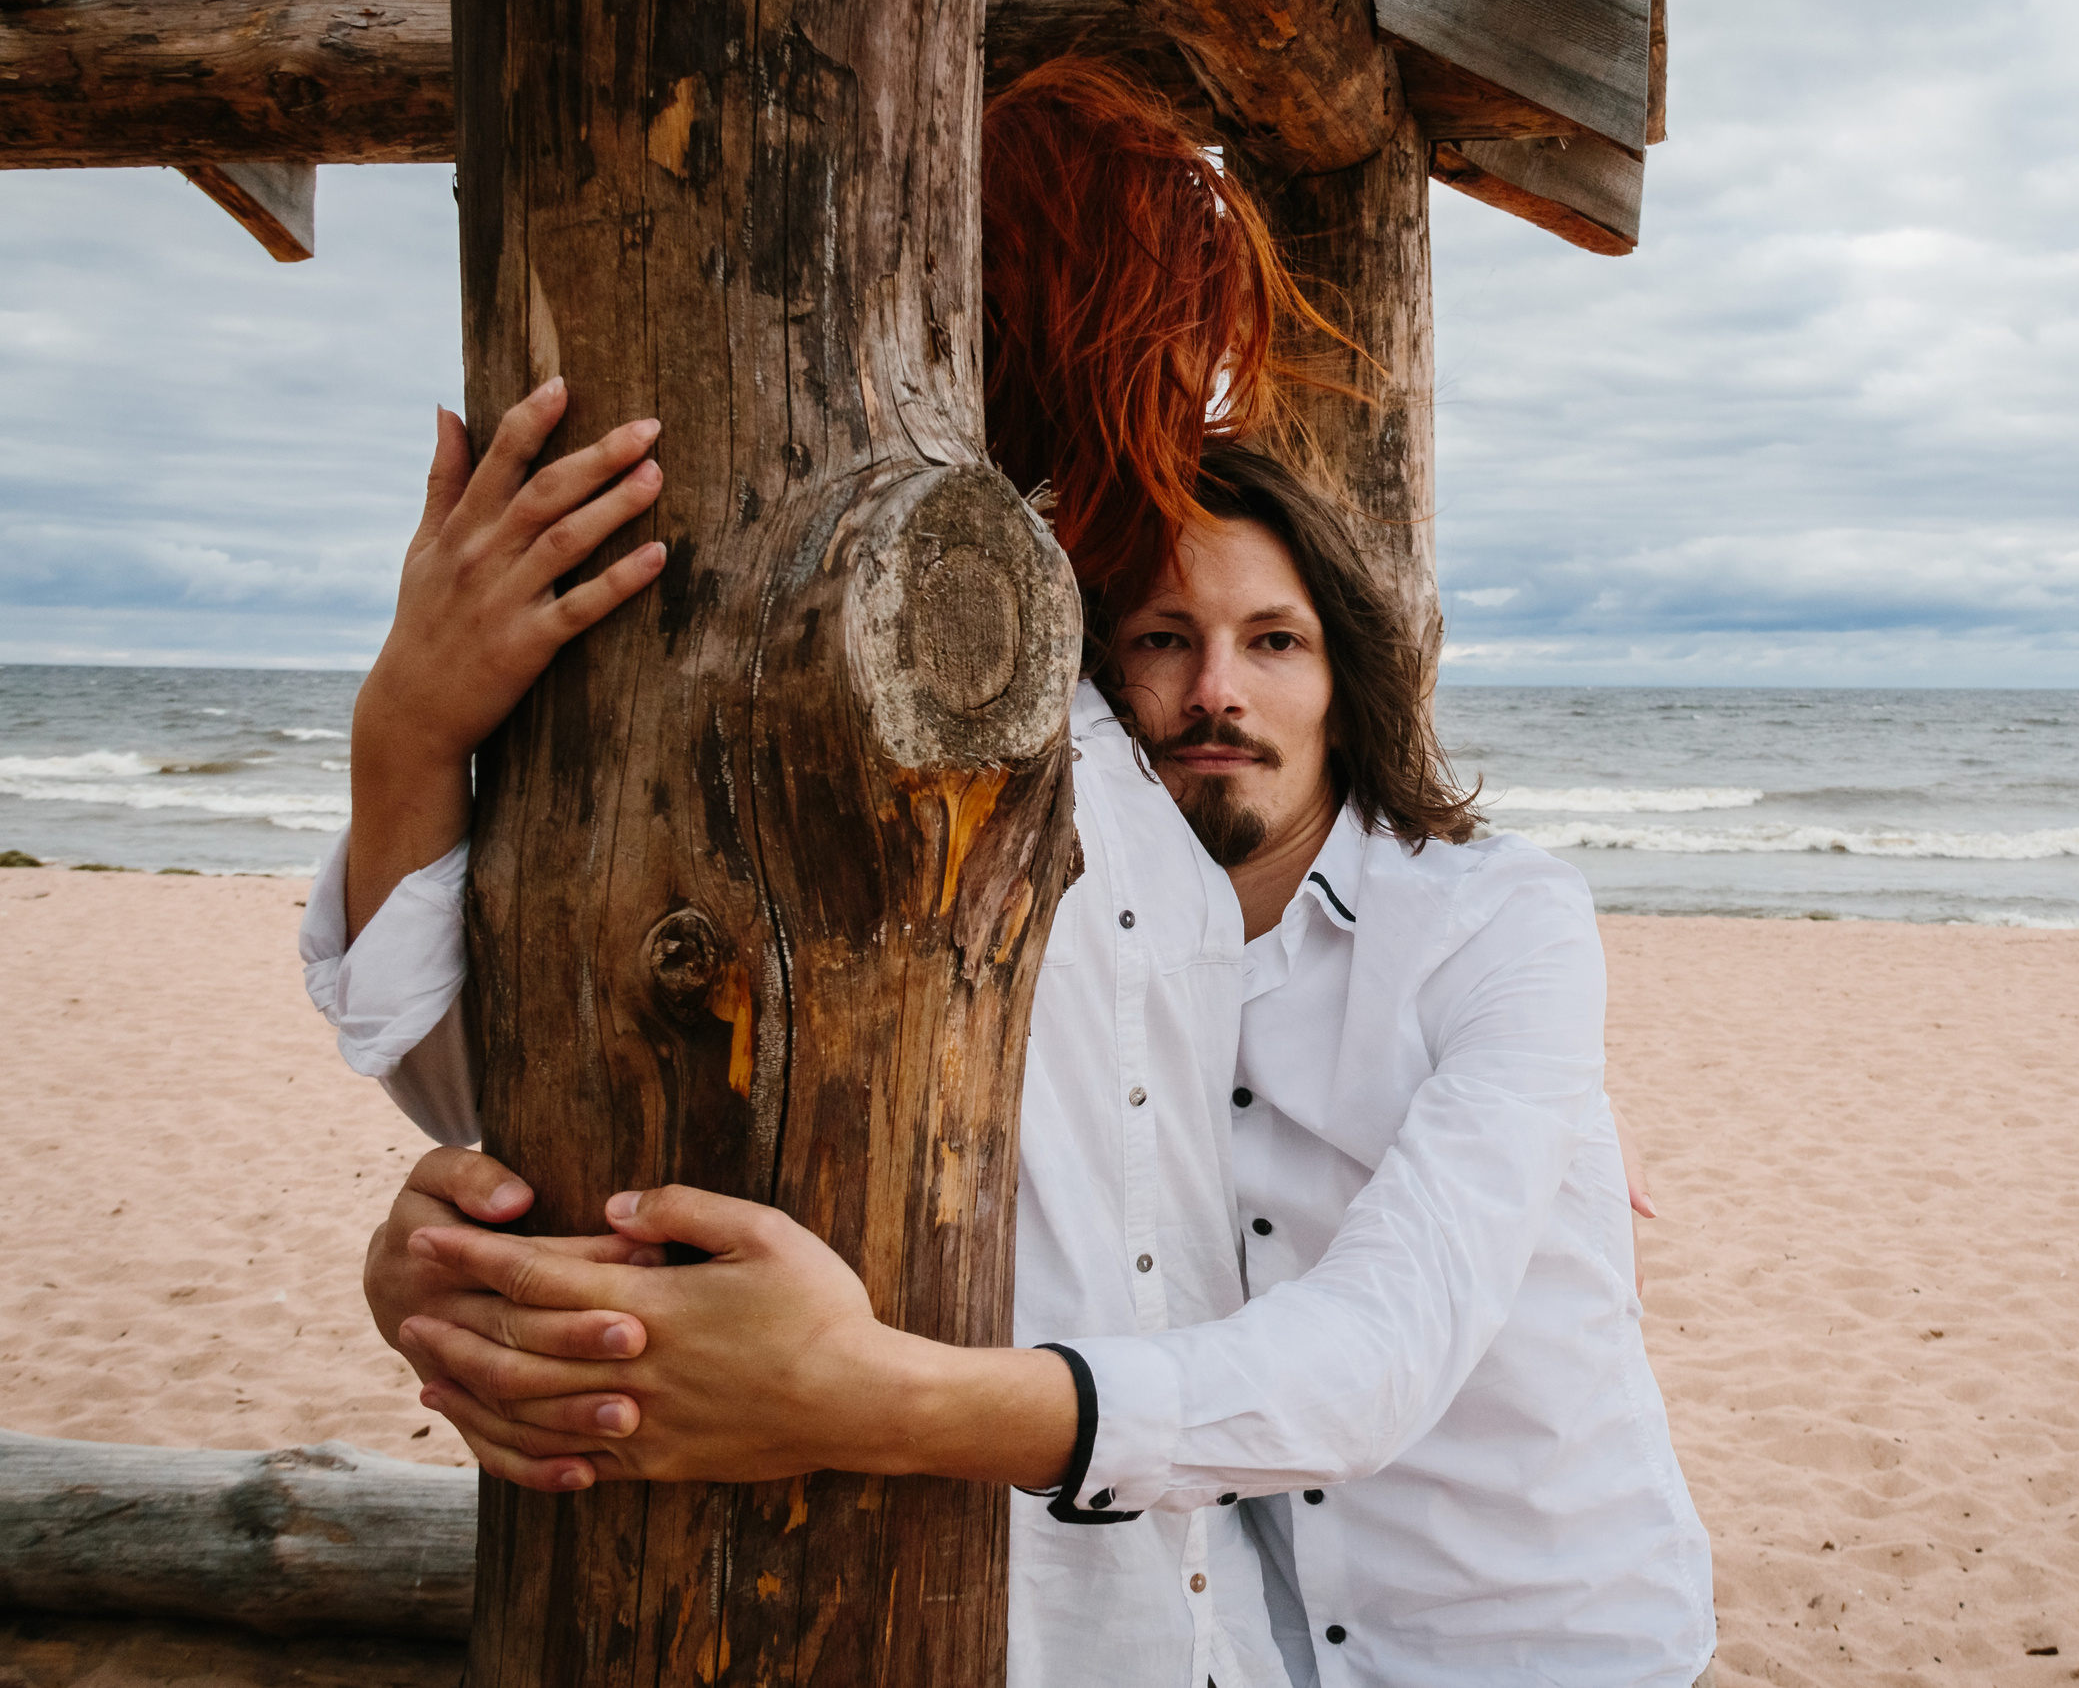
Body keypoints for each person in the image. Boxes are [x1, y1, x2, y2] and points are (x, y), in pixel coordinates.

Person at [345, 447, 1718, 1685]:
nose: (1216, 692)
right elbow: (560, 1063)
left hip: (1557, 1647)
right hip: (1274, 1654)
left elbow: (1374, 1360)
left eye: (1274, 643)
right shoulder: (1087, 943)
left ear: (1348, 693)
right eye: (1162, 641)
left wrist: (863, 1396)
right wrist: (410, 739)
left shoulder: (1497, 921)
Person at [313, 58, 1333, 1688]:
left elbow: (1291, 1031)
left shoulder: (1140, 742)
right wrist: (408, 734)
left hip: (1183, 1600)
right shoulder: (798, 664)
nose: (1197, 411)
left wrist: (1528, 1097)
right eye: (1171, 357)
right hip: (852, 1599)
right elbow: (507, 1091)